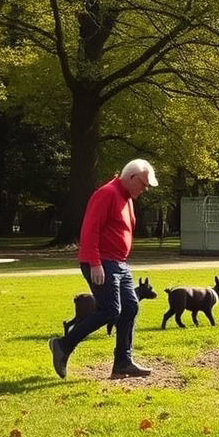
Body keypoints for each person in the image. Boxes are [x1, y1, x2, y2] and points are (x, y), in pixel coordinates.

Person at [48, 159, 158, 380]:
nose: (144, 190)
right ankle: (62, 344)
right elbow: (90, 229)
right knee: (110, 310)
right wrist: (94, 262)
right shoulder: (106, 193)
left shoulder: (127, 199)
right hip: (102, 262)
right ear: (132, 178)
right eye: (143, 184)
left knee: (130, 307)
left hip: (119, 263)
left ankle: (123, 362)